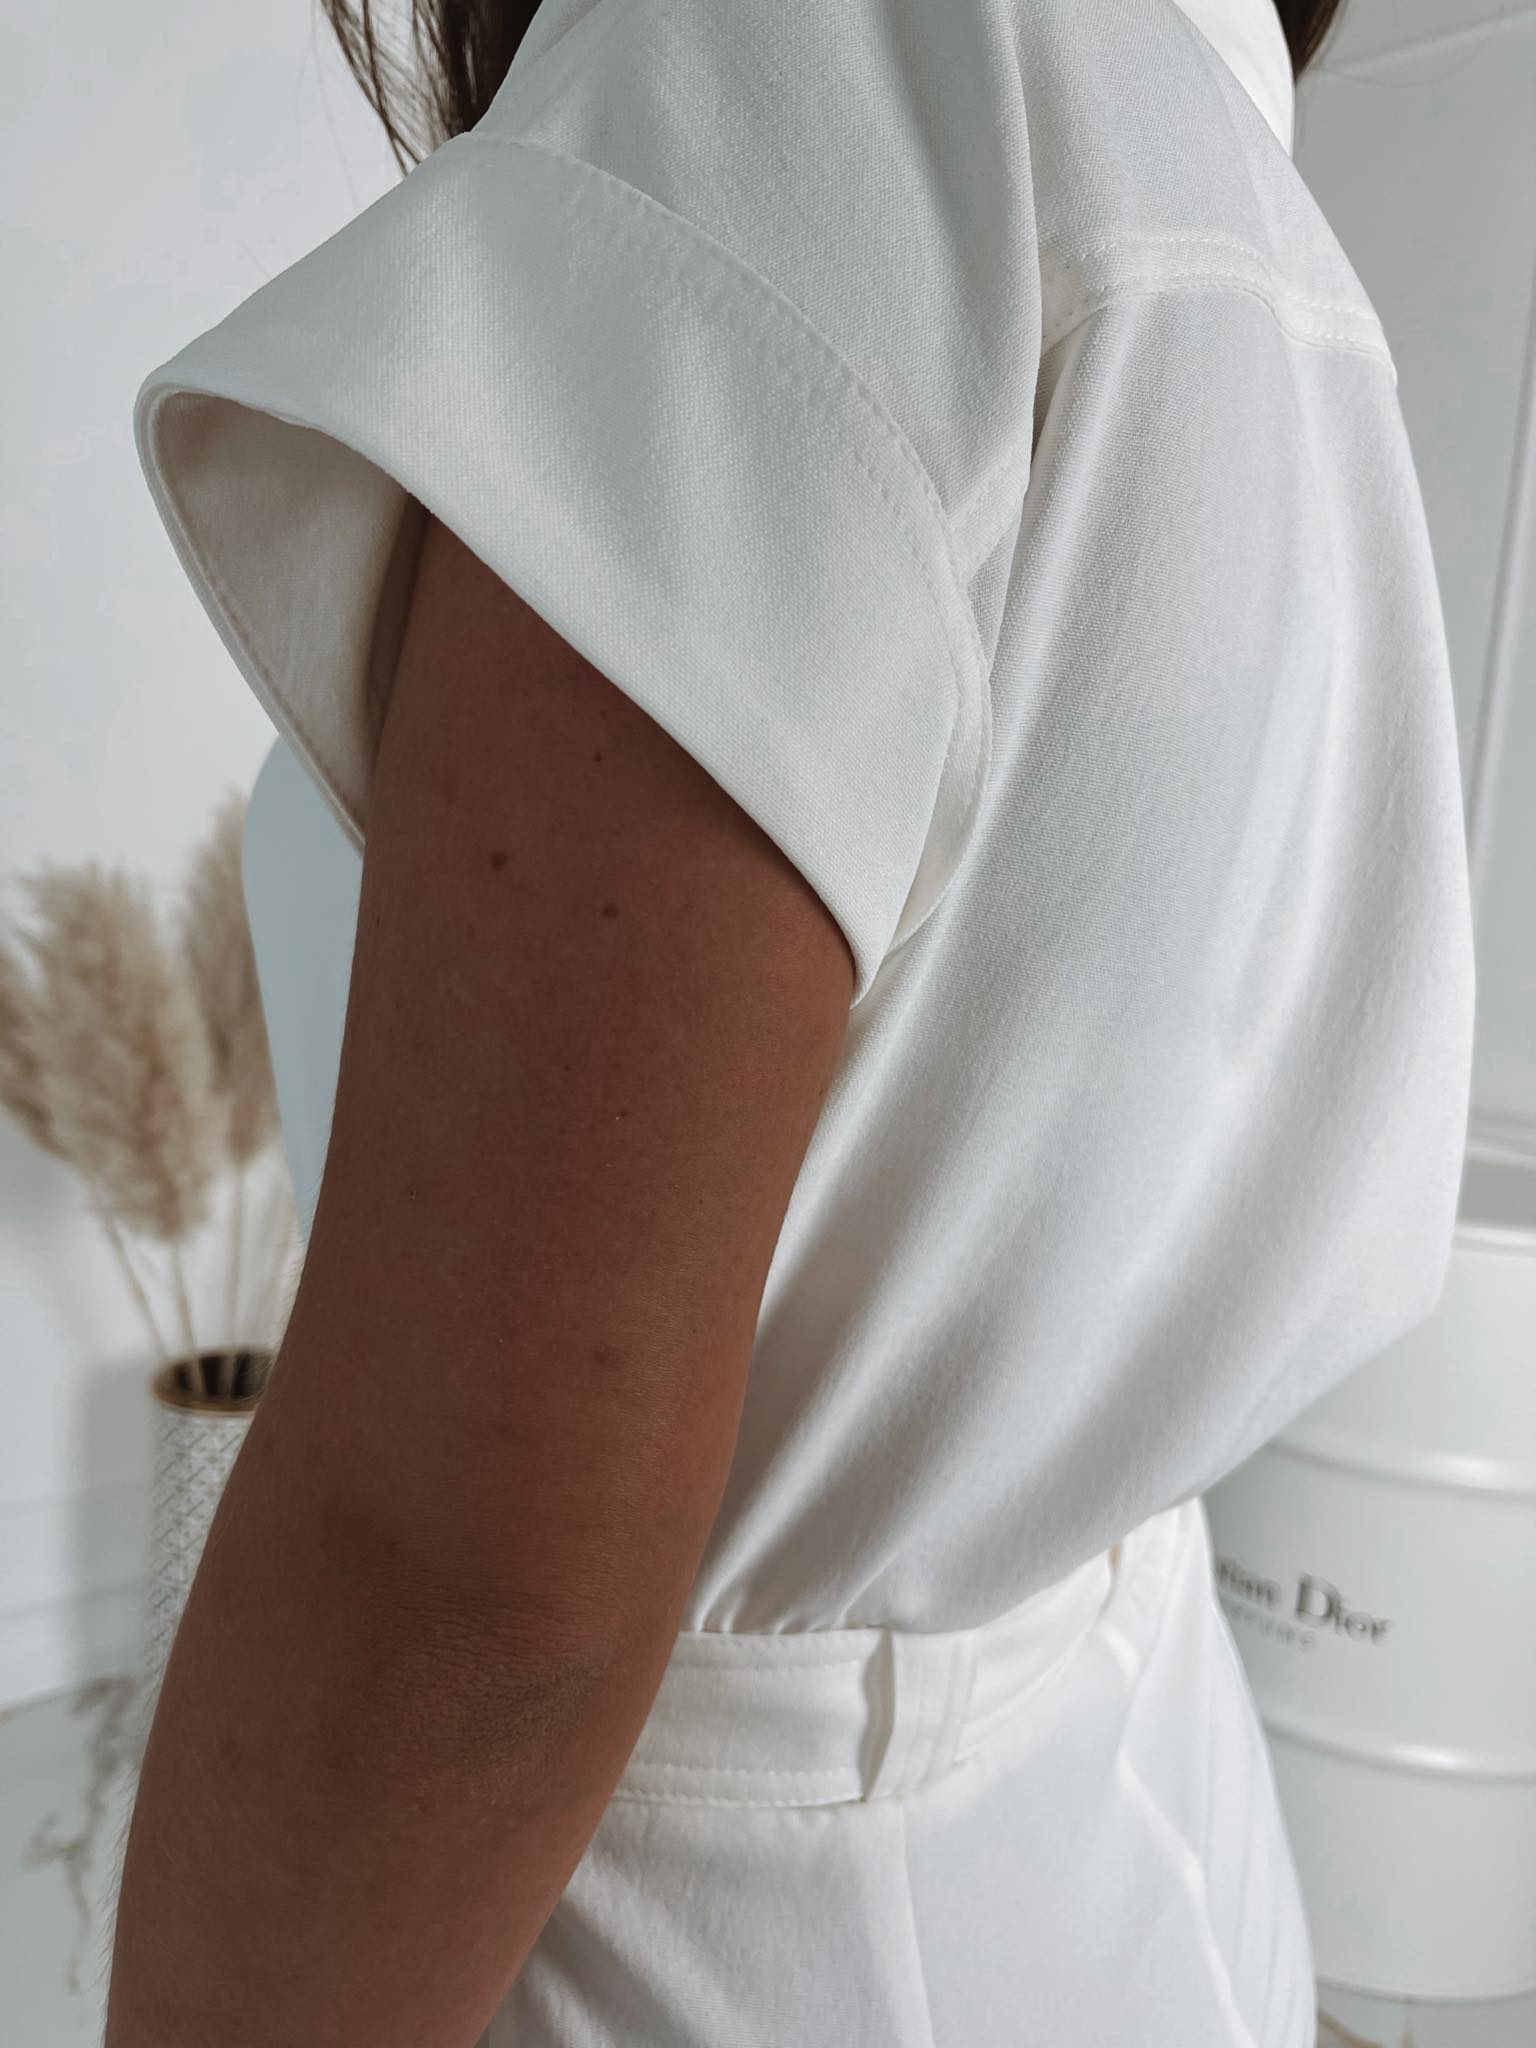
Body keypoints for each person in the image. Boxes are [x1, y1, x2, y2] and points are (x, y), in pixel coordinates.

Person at [105, 1, 1476, 2043]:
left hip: (700, 1936)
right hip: (1132, 1842)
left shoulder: (808, 63)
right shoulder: (1238, 209)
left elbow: (467, 1586)